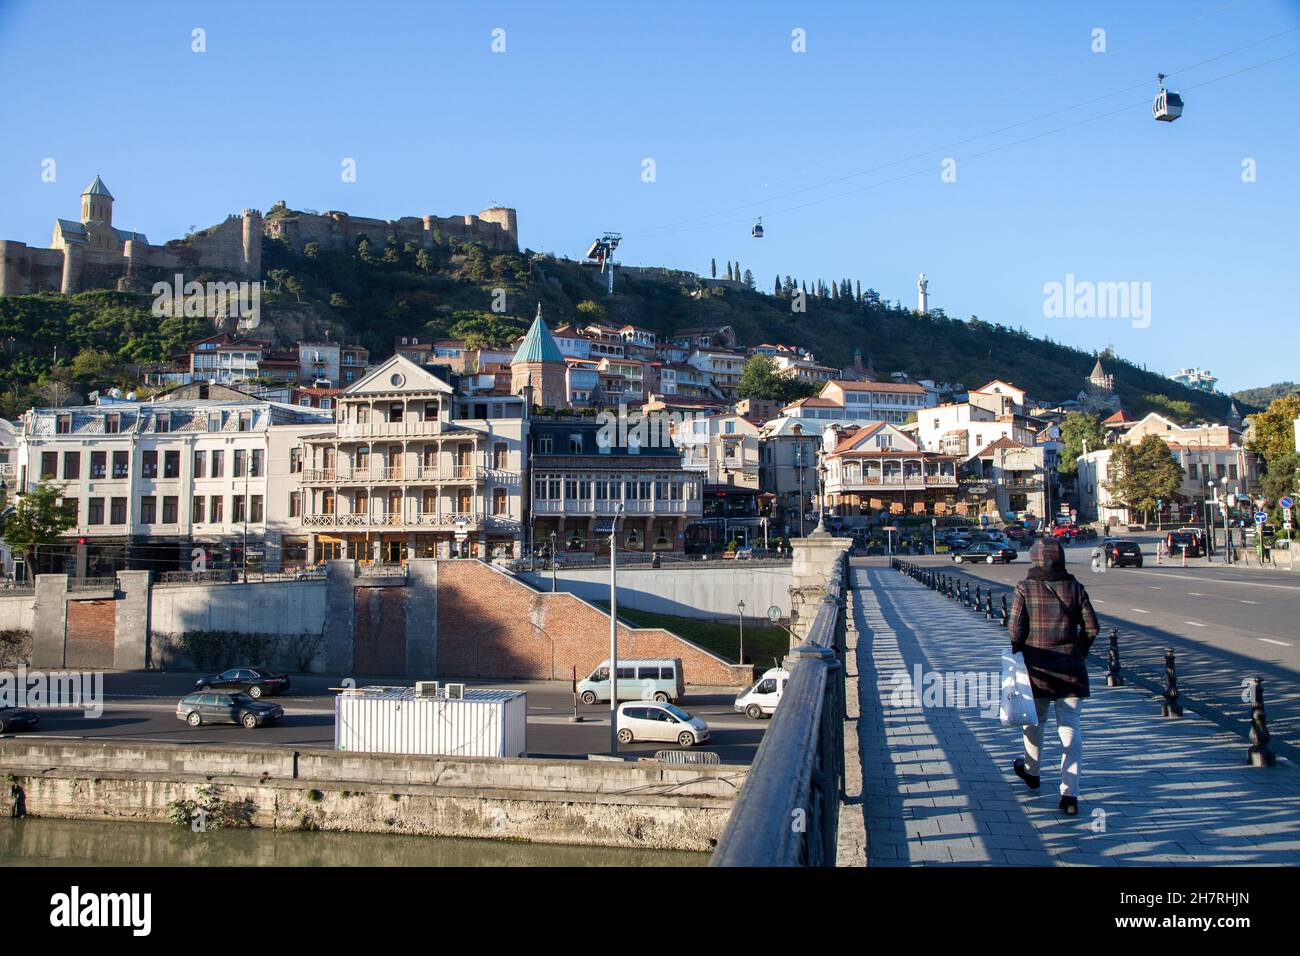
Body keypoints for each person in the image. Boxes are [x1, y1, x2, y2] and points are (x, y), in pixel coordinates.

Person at [1007, 538, 1100, 815]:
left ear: (1034, 558)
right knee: (1070, 729)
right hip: (1071, 670)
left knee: (1034, 722)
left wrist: (1020, 653)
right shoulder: (1075, 587)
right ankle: (1070, 794)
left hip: (1038, 670)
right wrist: (1077, 652)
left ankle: (1032, 772)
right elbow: (1092, 628)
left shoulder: (1026, 587)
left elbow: (1015, 629)